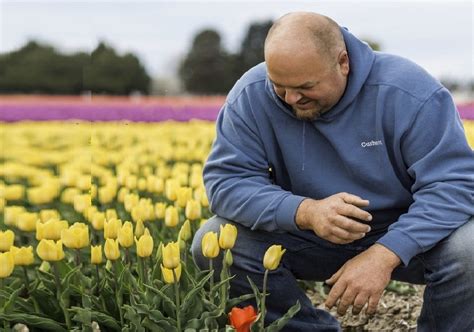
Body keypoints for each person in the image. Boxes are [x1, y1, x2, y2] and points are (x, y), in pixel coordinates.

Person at [191, 12, 474, 331]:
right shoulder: (251, 94)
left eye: (304, 86)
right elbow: (226, 182)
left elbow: (453, 184)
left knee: (471, 249)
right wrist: (304, 211)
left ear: (343, 63)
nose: (291, 98)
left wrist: (387, 251)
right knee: (213, 240)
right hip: (309, 234)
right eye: (279, 85)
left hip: (405, 230)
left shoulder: (409, 92)